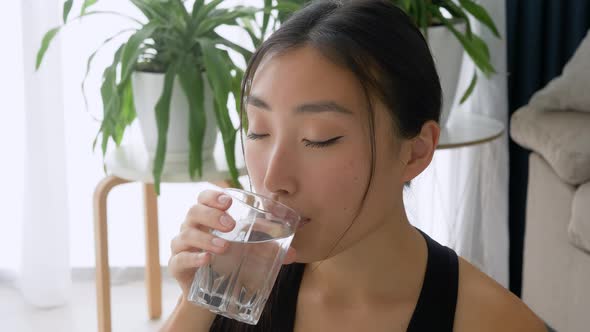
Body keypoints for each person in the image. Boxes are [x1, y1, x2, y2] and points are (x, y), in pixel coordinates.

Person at [161, 0, 547, 331]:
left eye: (319, 137)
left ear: (415, 151)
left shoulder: (490, 321)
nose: (273, 178)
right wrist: (196, 306)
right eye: (259, 131)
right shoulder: (237, 286)